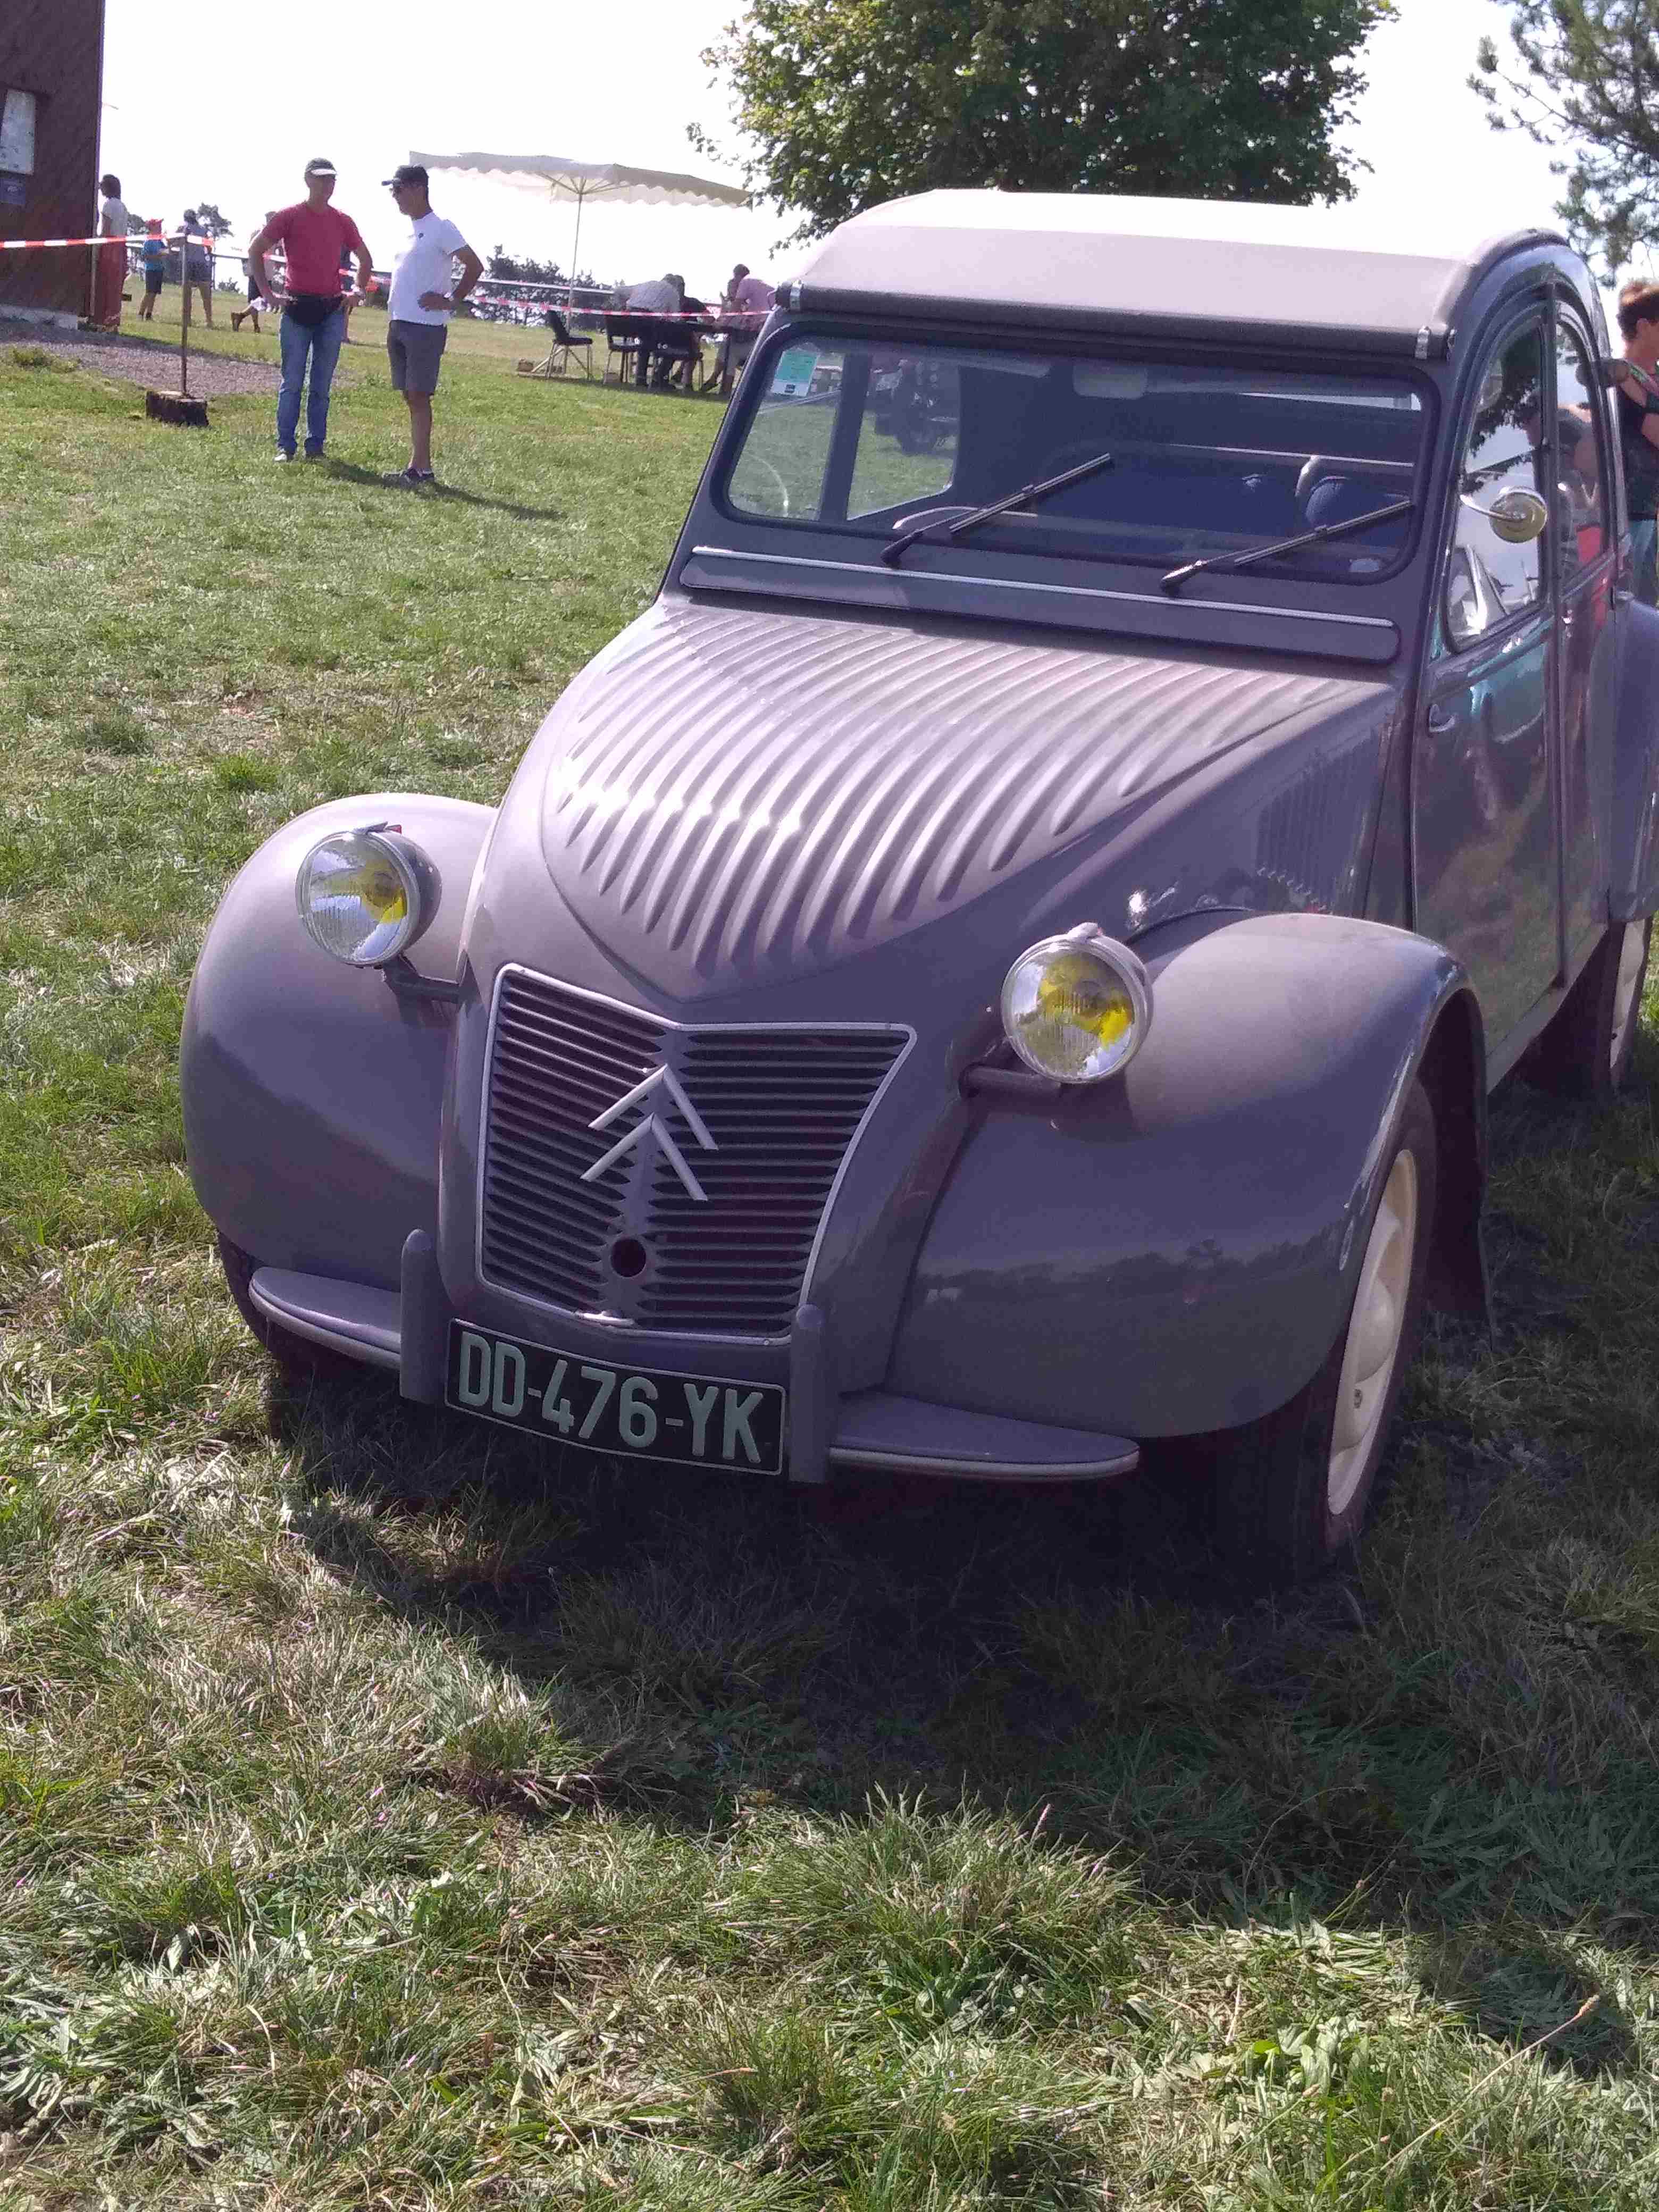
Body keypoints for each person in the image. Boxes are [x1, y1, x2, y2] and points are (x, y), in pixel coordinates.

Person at [249, 160, 372, 463]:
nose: (328, 185)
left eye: (332, 180)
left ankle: (315, 447)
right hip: (296, 309)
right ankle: (285, 446)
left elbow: (365, 258)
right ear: (308, 180)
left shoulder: (343, 220)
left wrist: (357, 291)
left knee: (321, 385)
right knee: (292, 382)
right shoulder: (289, 216)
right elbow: (255, 249)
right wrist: (266, 293)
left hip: (331, 311)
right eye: (322, 179)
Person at [380, 162, 481, 487]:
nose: (395, 196)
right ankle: (417, 466)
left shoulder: (442, 228)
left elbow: (474, 266)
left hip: (425, 327)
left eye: (399, 189)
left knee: (419, 395)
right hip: (400, 323)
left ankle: (422, 469)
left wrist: (451, 300)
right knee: (411, 396)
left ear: (418, 189)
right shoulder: (409, 230)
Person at [1616, 281, 1659, 607]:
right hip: (1629, 514)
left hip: (1649, 510)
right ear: (1644, 327)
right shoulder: (1620, 377)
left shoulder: (1649, 382)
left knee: (1646, 603)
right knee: (1630, 605)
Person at [719, 261, 775, 396]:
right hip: (767, 326)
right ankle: (720, 385)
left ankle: (725, 389)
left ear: (738, 275)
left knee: (730, 351)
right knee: (729, 349)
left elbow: (735, 308)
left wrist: (724, 323)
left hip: (758, 333)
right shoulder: (760, 285)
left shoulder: (745, 283)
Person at [624, 272, 678, 388]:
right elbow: (674, 318)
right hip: (648, 322)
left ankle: (640, 377)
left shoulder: (648, 284)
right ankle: (658, 377)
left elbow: (624, 294)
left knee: (645, 343)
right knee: (674, 343)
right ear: (676, 285)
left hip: (628, 319)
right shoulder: (673, 292)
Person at [232, 211, 276, 334]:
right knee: (259, 300)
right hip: (258, 271)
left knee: (261, 301)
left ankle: (241, 317)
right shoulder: (259, 233)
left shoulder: (276, 234)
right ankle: (254, 325)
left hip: (266, 272)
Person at [93, 174, 128, 331]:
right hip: (121, 246)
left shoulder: (108, 205)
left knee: (105, 282)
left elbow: (106, 230)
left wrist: (97, 246)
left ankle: (103, 321)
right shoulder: (123, 206)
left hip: (110, 247)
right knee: (116, 285)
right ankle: (114, 320)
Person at [179, 208, 214, 326]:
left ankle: (187, 320)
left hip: (188, 263)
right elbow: (209, 246)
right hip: (201, 263)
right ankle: (209, 320)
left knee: (187, 294)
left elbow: (175, 241)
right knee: (205, 294)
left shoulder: (182, 228)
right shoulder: (203, 230)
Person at [137, 218, 164, 322]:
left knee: (154, 293)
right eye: (158, 225)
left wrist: (170, 246)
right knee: (149, 293)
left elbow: (165, 252)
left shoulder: (160, 241)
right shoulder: (149, 241)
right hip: (151, 270)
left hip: (159, 269)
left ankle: (149, 315)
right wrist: (157, 256)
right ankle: (140, 314)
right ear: (152, 227)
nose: (161, 227)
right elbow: (145, 256)